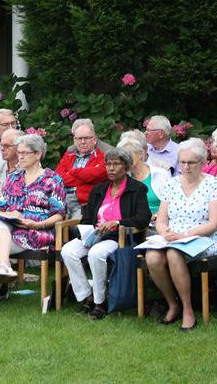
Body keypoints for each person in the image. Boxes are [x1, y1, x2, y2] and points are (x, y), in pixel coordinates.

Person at [0, 134, 66, 318]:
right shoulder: (13, 178)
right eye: (19, 153)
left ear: (38, 154)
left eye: (25, 153)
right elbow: (0, 209)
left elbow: (59, 214)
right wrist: (11, 214)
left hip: (38, 232)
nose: (21, 156)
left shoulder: (52, 179)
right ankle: (2, 273)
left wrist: (38, 223)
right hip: (13, 229)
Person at [145, 138, 217, 331]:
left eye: (191, 163)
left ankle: (188, 310)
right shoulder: (171, 184)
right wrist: (164, 231)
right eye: (182, 162)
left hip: (203, 238)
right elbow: (162, 219)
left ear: (202, 162)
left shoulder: (214, 184)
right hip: (173, 237)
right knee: (152, 257)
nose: (186, 167)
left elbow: (214, 223)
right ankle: (173, 304)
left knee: (174, 253)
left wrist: (185, 235)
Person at [60, 147, 151, 319]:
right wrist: (88, 233)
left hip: (118, 236)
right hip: (95, 235)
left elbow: (143, 219)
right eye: (108, 164)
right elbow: (87, 218)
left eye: (116, 164)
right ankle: (87, 295)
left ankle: (100, 302)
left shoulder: (137, 189)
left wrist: (117, 223)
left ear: (126, 167)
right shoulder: (99, 189)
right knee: (68, 251)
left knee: (96, 254)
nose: (110, 168)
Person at [55, 119, 107, 219]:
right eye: (79, 138)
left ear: (94, 139)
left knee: (76, 228)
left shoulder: (102, 157)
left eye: (86, 138)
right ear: (74, 140)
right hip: (60, 200)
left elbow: (97, 175)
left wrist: (72, 172)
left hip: (83, 203)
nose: (83, 142)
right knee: (49, 223)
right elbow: (58, 177)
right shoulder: (68, 155)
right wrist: (85, 178)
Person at [118, 129, 170, 218]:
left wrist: (158, 216)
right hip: (133, 224)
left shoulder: (160, 174)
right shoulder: (122, 178)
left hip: (158, 222)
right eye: (123, 156)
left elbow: (172, 202)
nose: (126, 159)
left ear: (140, 153)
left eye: (129, 154)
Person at [0, 129, 24, 206]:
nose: (2, 149)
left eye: (7, 146)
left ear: (19, 147)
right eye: (1, 145)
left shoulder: (27, 169)